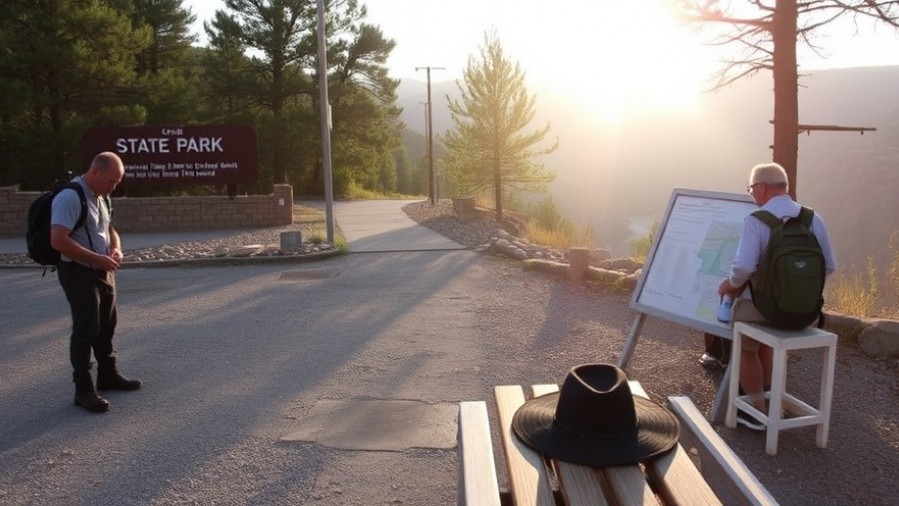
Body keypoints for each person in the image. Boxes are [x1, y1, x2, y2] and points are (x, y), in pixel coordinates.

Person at [718, 162, 836, 431]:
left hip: (767, 310)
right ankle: (771, 399)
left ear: (761, 187)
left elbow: (744, 268)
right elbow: (829, 265)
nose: (751, 195)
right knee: (766, 337)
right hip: (807, 314)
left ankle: (756, 410)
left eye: (751, 189)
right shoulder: (812, 218)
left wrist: (730, 285)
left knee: (746, 340)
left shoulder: (756, 221)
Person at [51, 151, 141, 413]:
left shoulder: (102, 197)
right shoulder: (69, 197)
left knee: (107, 325)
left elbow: (110, 229)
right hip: (78, 272)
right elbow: (58, 240)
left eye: (117, 182)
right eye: (112, 181)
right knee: (86, 329)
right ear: (95, 171)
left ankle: (108, 375)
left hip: (102, 269)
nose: (114, 186)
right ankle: (83, 389)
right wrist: (96, 259)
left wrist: (117, 249)